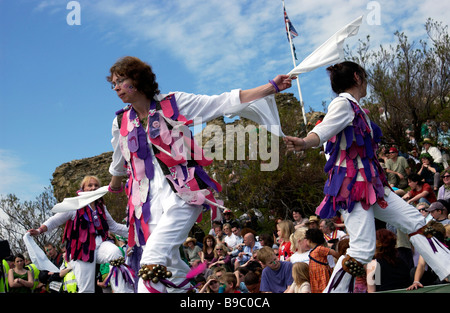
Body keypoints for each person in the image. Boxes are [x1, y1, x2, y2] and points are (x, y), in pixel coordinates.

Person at [106, 56, 293, 293]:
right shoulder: (121, 120)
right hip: (146, 202)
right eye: (113, 83)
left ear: (138, 79)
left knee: (151, 260)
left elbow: (220, 102)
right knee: (171, 268)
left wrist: (271, 87)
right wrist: (113, 185)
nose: (116, 87)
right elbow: (119, 157)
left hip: (183, 195)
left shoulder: (172, 104)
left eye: (121, 80)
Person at [283, 61, 450, 293]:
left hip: (374, 187)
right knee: (361, 249)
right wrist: (304, 142)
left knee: (416, 222)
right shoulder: (342, 104)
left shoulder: (354, 107)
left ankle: (448, 269)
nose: (367, 79)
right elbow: (323, 130)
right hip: (353, 188)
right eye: (365, 75)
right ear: (357, 77)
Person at [28, 176, 133, 293]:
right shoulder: (75, 205)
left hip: (100, 245)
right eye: (90, 185)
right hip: (82, 251)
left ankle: (122, 290)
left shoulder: (101, 207)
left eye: (96, 185)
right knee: (86, 288)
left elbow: (113, 226)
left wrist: (135, 230)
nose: (93, 188)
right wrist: (39, 230)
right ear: (83, 189)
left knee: (115, 253)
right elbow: (55, 220)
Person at [407, 221, 448, 290]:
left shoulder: (447, 248)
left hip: (444, 276)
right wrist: (416, 281)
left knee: (443, 278)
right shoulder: (427, 248)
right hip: (432, 277)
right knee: (413, 271)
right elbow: (421, 265)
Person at [305, 228, 339, 293]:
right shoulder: (313, 250)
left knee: (324, 289)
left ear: (310, 240)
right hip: (315, 275)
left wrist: (340, 259)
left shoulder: (319, 249)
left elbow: (332, 252)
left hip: (322, 274)